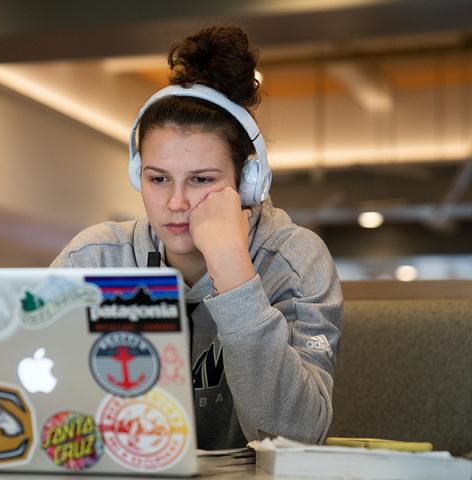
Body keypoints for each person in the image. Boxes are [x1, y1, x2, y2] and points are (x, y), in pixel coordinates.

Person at [50, 25, 343, 450]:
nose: (176, 201)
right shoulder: (93, 260)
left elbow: (295, 436)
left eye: (202, 179)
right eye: (158, 178)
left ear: (248, 182)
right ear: (138, 175)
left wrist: (233, 272)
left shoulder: (294, 262)